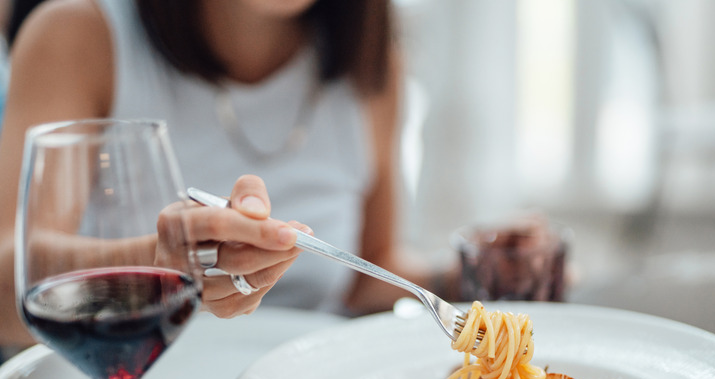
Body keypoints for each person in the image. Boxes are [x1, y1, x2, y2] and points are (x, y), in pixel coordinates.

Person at [0, 0, 438, 349]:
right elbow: (5, 293)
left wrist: (472, 277)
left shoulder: (367, 60)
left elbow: (367, 277)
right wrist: (158, 269)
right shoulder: (78, 33)